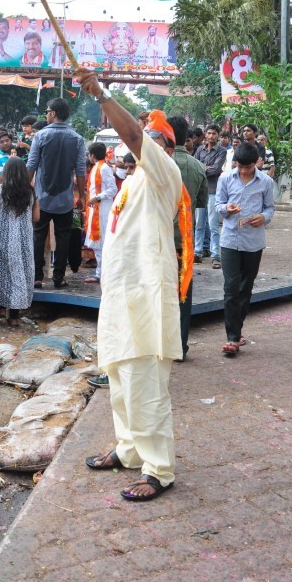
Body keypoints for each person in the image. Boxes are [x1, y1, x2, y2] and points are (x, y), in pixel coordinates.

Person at [78, 69, 192, 501]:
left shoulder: (164, 169)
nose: (134, 142)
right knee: (121, 376)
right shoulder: (134, 182)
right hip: (122, 293)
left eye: (146, 137)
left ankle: (159, 469)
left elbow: (130, 135)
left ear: (164, 146)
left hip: (147, 295)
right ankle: (128, 450)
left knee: (146, 384)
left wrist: (103, 95)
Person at [215, 142, 275, 356]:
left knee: (245, 288)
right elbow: (218, 204)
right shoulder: (225, 178)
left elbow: (270, 208)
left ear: (256, 163)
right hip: (230, 240)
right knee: (230, 287)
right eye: (240, 166)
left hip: (253, 242)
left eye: (248, 167)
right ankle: (232, 338)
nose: (243, 170)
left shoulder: (266, 182)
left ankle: (237, 329)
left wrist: (263, 217)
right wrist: (226, 208)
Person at [26, 97, 86, 289]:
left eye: (47, 111)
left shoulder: (40, 136)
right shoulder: (77, 138)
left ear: (53, 113)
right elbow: (81, 172)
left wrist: (26, 190)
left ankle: (37, 276)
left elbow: (31, 167)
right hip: (65, 200)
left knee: (38, 236)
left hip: (41, 199)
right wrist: (82, 196)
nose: (46, 114)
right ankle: (58, 277)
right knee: (63, 237)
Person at [169, 114, 208, 362]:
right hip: (185, 239)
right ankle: (180, 347)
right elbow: (202, 202)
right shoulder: (197, 166)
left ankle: (160, 345)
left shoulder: (158, 164)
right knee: (183, 294)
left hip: (159, 241)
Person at [0, 156, 40, 328]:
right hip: (23, 239)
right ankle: (13, 317)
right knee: (18, 274)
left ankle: (0, 308)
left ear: (6, 172)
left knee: (0, 270)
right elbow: (36, 218)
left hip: (2, 237)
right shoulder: (31, 193)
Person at [84, 141, 117, 284]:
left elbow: (113, 190)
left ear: (92, 155)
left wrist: (98, 197)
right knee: (98, 244)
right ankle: (101, 272)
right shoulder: (97, 167)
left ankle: (102, 273)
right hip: (96, 209)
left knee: (102, 243)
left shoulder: (103, 168)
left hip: (102, 210)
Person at [193, 124, 225, 268]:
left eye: (214, 134)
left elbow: (216, 169)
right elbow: (195, 166)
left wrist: (202, 168)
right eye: (209, 133)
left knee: (213, 225)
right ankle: (197, 252)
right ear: (206, 134)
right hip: (200, 190)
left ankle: (215, 255)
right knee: (199, 224)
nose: (211, 136)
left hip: (213, 190)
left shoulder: (222, 151)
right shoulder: (200, 149)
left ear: (218, 135)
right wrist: (206, 168)